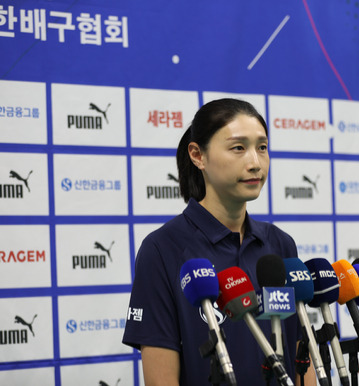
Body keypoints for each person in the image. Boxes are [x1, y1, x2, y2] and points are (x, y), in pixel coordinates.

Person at [122, 98, 316, 386]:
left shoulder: (280, 244)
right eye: (238, 147)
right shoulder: (163, 249)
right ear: (198, 155)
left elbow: (301, 357)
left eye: (262, 148)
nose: (255, 163)